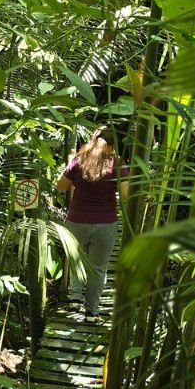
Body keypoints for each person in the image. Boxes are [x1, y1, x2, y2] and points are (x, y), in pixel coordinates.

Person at [56, 126, 129, 318]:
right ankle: (91, 310)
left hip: (77, 221)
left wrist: (72, 169)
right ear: (112, 146)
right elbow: (126, 195)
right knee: (98, 268)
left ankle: (74, 299)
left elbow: (61, 187)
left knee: (77, 261)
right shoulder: (118, 163)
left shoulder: (79, 161)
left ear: (91, 141)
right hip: (105, 224)